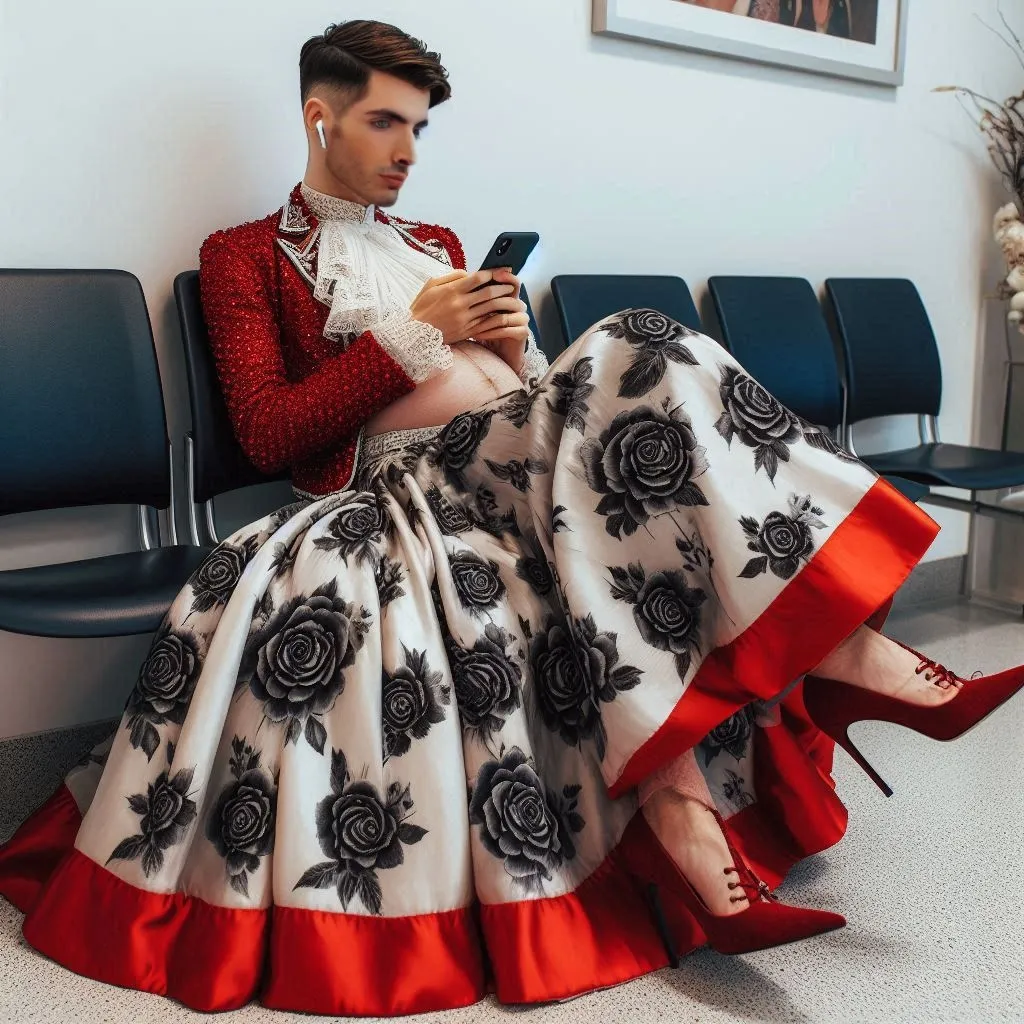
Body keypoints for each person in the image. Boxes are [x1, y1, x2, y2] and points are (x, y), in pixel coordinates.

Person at [1, 19, 1021, 1019]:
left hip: (517, 459)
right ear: (319, 118)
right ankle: (828, 669)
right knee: (642, 341)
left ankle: (690, 813)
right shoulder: (242, 258)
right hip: (395, 485)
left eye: (421, 130)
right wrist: (416, 331)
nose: (407, 152)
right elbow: (270, 434)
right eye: (385, 124)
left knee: (632, 416)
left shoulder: (436, 243)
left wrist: (514, 345)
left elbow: (507, 384)